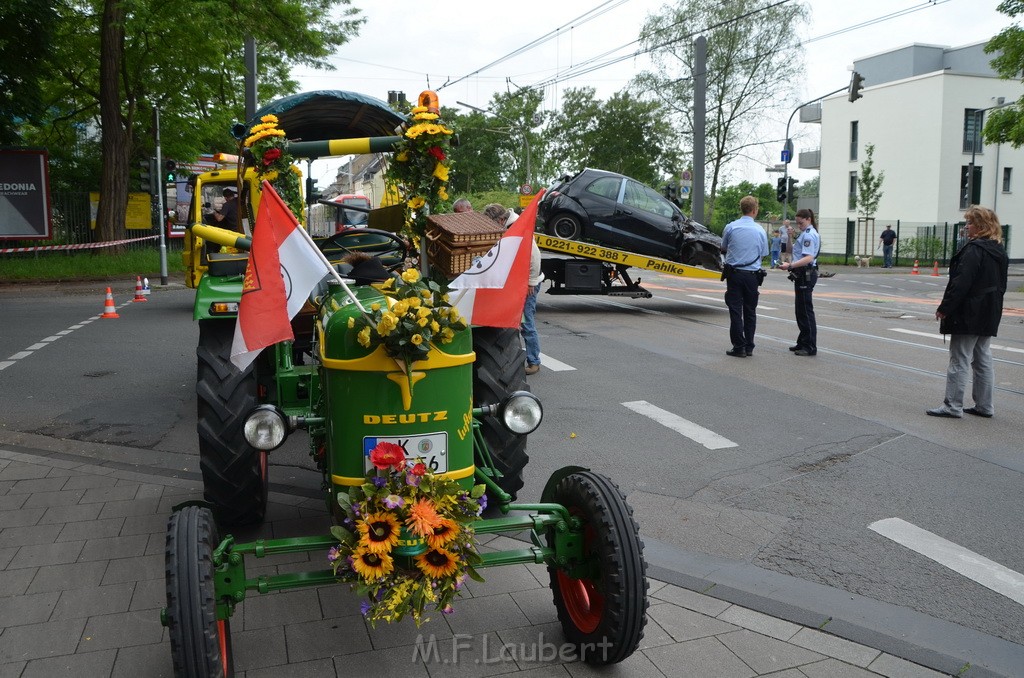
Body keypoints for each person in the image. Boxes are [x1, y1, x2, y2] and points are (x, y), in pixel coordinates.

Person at [926, 206, 1008, 418]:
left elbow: (961, 282)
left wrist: (945, 308)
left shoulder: (974, 249)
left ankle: (952, 406)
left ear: (981, 226)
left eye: (970, 223)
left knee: (959, 358)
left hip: (970, 311)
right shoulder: (998, 249)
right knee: (982, 358)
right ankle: (985, 406)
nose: (966, 227)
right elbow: (1002, 284)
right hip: (990, 310)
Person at [483, 203, 544, 375]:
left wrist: (531, 282)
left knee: (527, 322)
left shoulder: (519, 226)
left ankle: (534, 362)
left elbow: (534, 255)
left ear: (501, 219)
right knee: (520, 321)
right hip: (519, 281)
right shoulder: (509, 225)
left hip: (528, 283)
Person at [720, 195, 769, 357]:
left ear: (741, 209)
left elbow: (724, 248)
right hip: (752, 276)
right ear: (755, 211)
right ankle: (749, 346)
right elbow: (764, 254)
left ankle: (738, 346)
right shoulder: (760, 230)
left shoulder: (731, 227)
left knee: (735, 310)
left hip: (734, 275)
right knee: (750, 311)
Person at [779, 208, 820, 356]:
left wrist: (790, 266)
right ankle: (803, 341)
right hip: (802, 274)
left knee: (805, 311)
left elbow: (808, 258)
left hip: (806, 274)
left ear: (808, 219)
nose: (798, 226)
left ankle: (809, 346)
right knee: (800, 310)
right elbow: (791, 250)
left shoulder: (809, 235)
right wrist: (790, 237)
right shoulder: (804, 234)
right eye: (797, 223)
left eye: (800, 223)